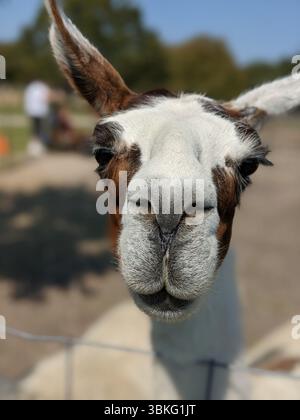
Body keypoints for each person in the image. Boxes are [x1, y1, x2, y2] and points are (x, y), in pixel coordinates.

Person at [24, 80, 50, 156]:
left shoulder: (31, 87)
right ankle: (36, 148)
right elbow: (45, 98)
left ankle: (35, 147)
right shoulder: (42, 87)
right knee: (38, 130)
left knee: (35, 130)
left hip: (33, 111)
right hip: (39, 111)